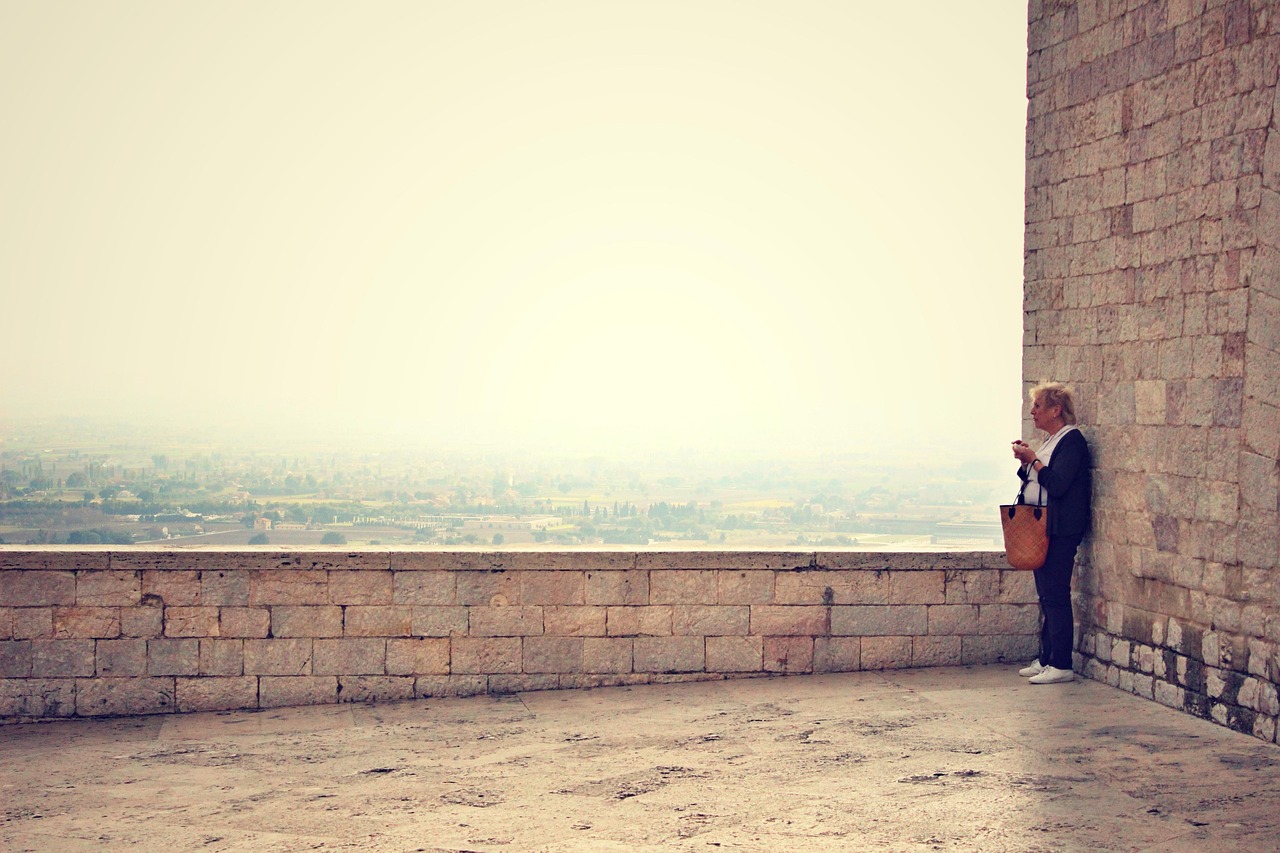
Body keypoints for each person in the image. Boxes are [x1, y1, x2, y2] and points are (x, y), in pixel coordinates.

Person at [1010, 382, 1092, 685]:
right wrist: (1027, 461)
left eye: (1038, 406)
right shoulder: (1051, 441)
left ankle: (1061, 663)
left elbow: (1057, 484)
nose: (1033, 412)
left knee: (1055, 594)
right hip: (1042, 528)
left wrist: (1033, 460)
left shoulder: (1071, 441)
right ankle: (1046, 658)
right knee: (1046, 594)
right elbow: (1038, 478)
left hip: (1060, 529)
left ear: (1056, 410)